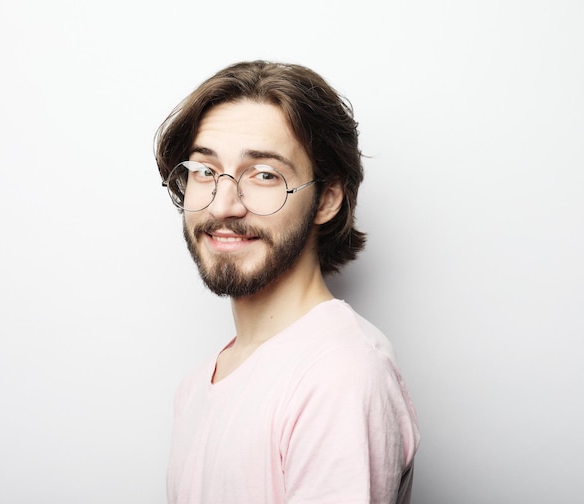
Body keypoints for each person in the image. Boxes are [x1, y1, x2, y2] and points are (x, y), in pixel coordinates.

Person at [154, 60, 420, 504]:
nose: (222, 206)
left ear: (326, 200)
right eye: (204, 171)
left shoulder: (338, 377)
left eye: (263, 175)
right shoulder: (199, 384)